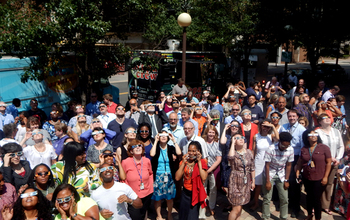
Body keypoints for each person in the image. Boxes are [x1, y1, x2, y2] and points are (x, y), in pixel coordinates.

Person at [295, 129, 332, 220]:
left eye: (315, 134)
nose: (313, 136)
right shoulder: (304, 149)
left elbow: (328, 163)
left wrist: (326, 177)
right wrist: (297, 173)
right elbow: (300, 162)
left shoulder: (324, 147)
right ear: (307, 137)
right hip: (307, 177)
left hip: (319, 177)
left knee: (316, 199)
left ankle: (318, 218)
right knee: (309, 197)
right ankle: (309, 215)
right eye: (311, 135)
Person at [315, 113, 345, 215]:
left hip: (334, 162)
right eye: (324, 118)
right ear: (319, 122)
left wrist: (337, 158)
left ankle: (326, 206)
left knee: (329, 184)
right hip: (321, 162)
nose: (327, 119)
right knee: (319, 183)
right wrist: (329, 158)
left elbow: (341, 146)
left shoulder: (336, 131)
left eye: (328, 117)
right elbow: (317, 147)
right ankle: (316, 205)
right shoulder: (317, 132)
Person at [262, 132, 294, 220]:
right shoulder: (271, 148)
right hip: (270, 173)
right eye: (283, 146)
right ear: (279, 141)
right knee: (267, 198)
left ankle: (283, 217)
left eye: (286, 146)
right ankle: (265, 217)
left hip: (281, 174)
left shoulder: (290, 149)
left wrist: (287, 180)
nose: (285, 148)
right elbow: (267, 165)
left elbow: (288, 165)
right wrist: (268, 181)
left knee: (284, 198)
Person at [150, 131, 182, 220]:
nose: (163, 137)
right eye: (161, 135)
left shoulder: (171, 148)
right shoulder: (156, 148)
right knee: (158, 197)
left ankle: (169, 214)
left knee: (169, 197)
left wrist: (174, 140)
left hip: (169, 175)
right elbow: (152, 154)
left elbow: (179, 153)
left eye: (165, 135)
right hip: (158, 175)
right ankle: (159, 215)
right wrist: (156, 141)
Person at [280, 109, 306, 218]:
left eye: (294, 116)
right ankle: (288, 203)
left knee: (295, 183)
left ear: (297, 117)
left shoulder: (301, 129)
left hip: (295, 158)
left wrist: (299, 164)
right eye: (290, 116)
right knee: (285, 180)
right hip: (283, 156)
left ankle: (296, 208)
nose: (292, 118)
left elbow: (303, 147)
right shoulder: (284, 127)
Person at [250, 119, 279, 211]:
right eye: (264, 126)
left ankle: (266, 204)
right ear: (260, 126)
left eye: (267, 126)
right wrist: (252, 161)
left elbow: (278, 139)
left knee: (267, 183)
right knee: (258, 185)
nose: (265, 128)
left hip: (269, 162)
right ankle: (256, 203)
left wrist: (273, 126)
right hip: (258, 161)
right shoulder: (256, 136)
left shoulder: (271, 136)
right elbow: (254, 150)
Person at [121, 139, 154, 220]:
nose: (138, 147)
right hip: (133, 195)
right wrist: (127, 192)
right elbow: (123, 178)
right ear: (131, 151)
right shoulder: (125, 162)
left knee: (143, 214)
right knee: (135, 216)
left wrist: (150, 188)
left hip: (146, 193)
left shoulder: (147, 161)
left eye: (140, 146)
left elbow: (150, 174)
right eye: (135, 146)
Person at [175, 141, 208, 220]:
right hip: (185, 193)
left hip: (195, 194)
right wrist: (183, 163)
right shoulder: (184, 162)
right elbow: (177, 177)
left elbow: (203, 177)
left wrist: (199, 161)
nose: (191, 153)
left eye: (194, 151)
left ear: (198, 151)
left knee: (192, 217)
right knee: (183, 216)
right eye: (189, 150)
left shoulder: (203, 162)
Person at [227, 133, 255, 220]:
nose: (241, 139)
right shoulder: (233, 152)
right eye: (237, 138)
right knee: (236, 208)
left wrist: (253, 181)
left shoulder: (249, 152)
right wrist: (232, 143)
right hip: (235, 182)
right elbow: (230, 157)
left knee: (240, 207)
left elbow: (252, 168)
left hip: (245, 182)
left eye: (242, 137)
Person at [201, 125, 222, 216]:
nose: (211, 134)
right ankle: (203, 205)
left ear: (215, 134)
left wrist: (209, 170)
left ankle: (211, 206)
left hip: (213, 169)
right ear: (206, 133)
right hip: (203, 168)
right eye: (209, 132)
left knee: (213, 189)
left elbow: (218, 159)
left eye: (213, 132)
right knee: (203, 188)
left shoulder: (217, 144)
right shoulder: (202, 143)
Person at [220, 120, 242, 195]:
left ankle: (233, 201)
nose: (234, 127)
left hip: (235, 162)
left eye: (236, 126)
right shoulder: (227, 136)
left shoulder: (240, 137)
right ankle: (229, 201)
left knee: (234, 182)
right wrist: (225, 128)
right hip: (226, 162)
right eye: (232, 125)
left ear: (239, 128)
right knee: (227, 183)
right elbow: (222, 142)